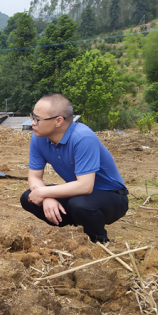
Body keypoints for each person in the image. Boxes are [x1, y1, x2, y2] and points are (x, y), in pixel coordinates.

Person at [19, 93, 128, 244]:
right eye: (33, 117)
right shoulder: (39, 138)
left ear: (58, 121)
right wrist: (47, 197)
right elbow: (34, 177)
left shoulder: (82, 138)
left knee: (80, 204)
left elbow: (85, 186)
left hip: (112, 197)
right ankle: (78, 220)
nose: (33, 123)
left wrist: (43, 192)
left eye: (38, 119)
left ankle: (100, 242)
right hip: (78, 195)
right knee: (28, 198)